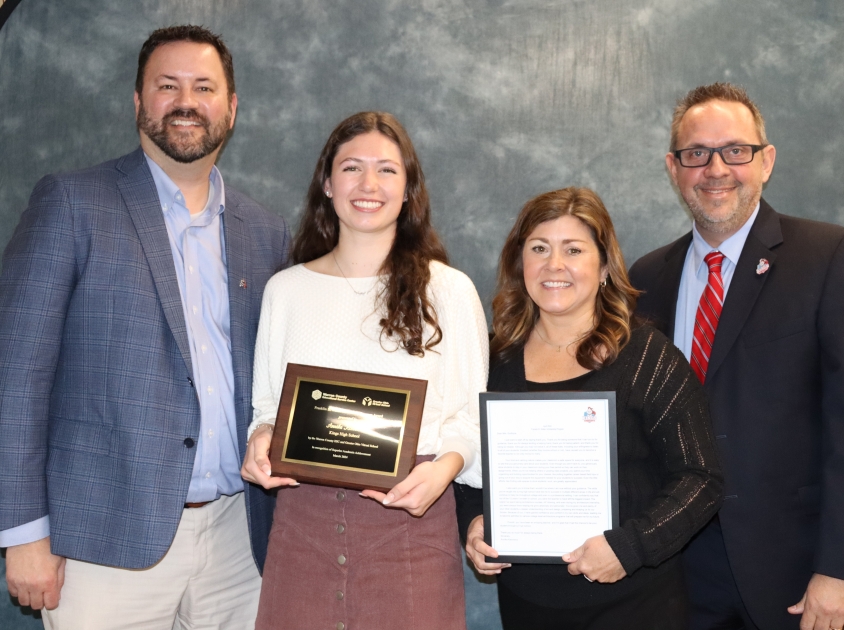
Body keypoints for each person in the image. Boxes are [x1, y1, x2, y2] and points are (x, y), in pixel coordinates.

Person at [0, 25, 291, 628]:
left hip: (240, 540)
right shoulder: (72, 203)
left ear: (231, 109)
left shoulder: (265, 230)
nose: (186, 101)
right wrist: (22, 531)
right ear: (139, 102)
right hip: (103, 543)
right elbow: (15, 374)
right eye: (167, 85)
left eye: (204, 86)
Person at [629, 82, 844, 630]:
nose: (715, 169)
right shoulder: (646, 279)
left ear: (766, 160)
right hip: (675, 579)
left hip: (800, 577)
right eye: (696, 154)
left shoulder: (830, 257)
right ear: (673, 167)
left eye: (735, 150)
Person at [240, 111, 489, 630]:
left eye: (387, 170)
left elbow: (469, 420)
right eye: (352, 168)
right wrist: (261, 440)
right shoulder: (285, 291)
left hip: (409, 523)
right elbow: (267, 408)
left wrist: (440, 474)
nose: (368, 184)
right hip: (302, 525)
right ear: (327, 184)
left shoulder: (449, 291)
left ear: (409, 189)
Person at [455, 186, 723, 630]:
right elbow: (469, 466)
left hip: (635, 603)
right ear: (520, 263)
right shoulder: (493, 362)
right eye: (539, 248)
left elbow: (702, 478)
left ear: (602, 268)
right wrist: (474, 522)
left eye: (573, 250)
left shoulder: (646, 357)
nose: (554, 265)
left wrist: (630, 547)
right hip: (528, 604)